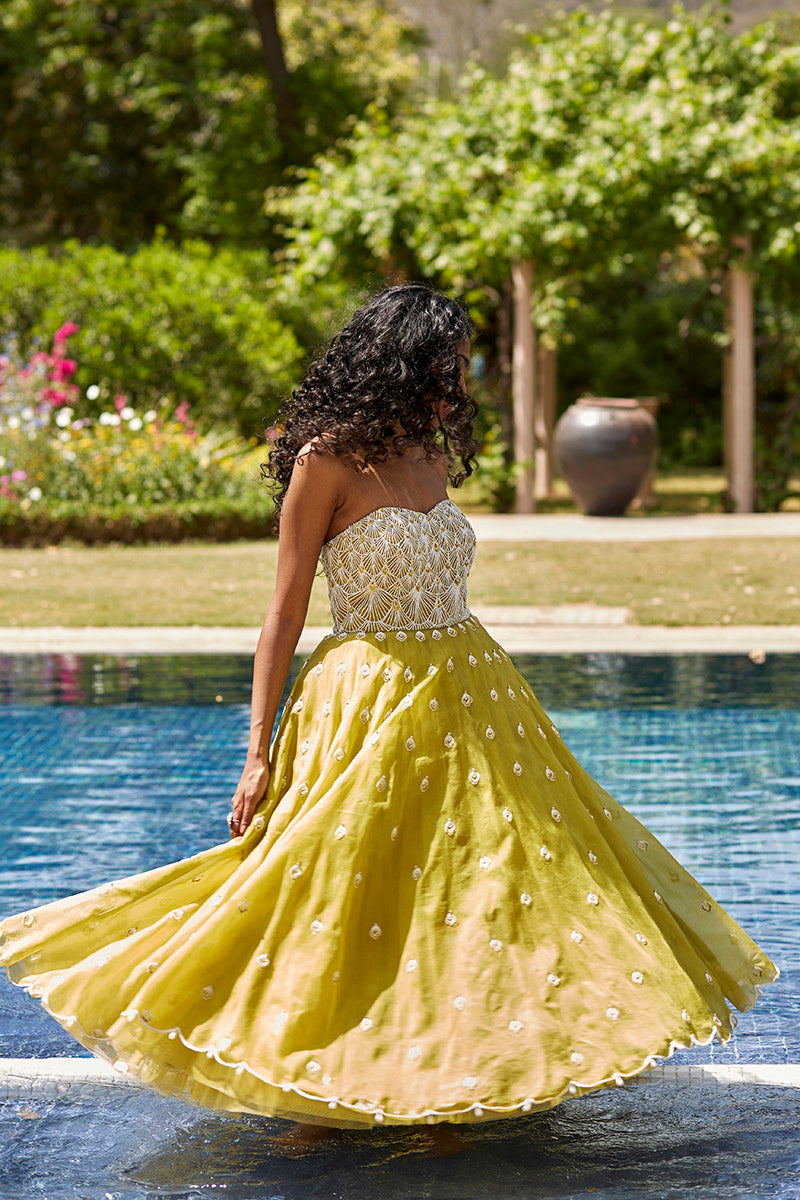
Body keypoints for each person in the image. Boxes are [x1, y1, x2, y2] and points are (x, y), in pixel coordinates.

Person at [0, 284, 779, 1130]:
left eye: (459, 368)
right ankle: (315, 1087)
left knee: (488, 890)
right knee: (338, 892)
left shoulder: (432, 455)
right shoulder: (323, 461)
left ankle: (465, 1080)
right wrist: (257, 749)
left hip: (477, 698)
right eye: (443, 366)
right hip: (366, 703)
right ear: (398, 362)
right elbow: (284, 612)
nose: (457, 383)